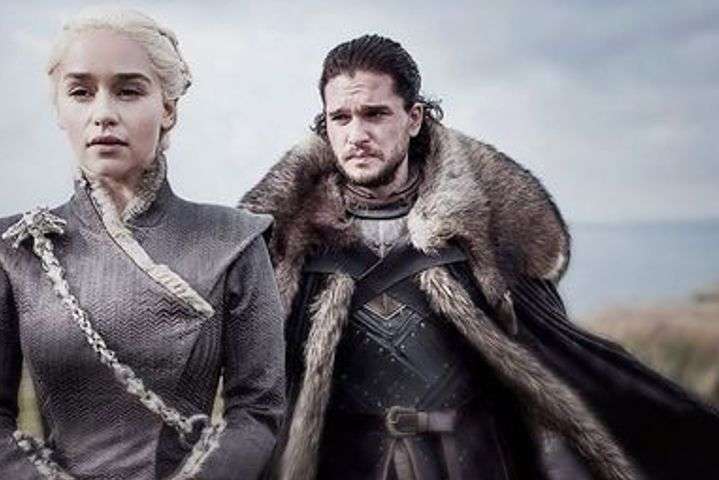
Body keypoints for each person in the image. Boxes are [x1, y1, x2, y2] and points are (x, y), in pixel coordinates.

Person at [241, 34, 719, 480]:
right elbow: (250, 384)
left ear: (414, 118)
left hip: (473, 461)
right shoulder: (288, 245)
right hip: (339, 465)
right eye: (340, 118)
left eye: (375, 114)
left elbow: (550, 367)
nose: (356, 134)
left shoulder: (485, 237)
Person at [0, 7, 285, 479]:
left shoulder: (233, 240)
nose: (103, 114)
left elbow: (258, 411)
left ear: (168, 108)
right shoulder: (16, 250)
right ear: (59, 110)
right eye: (80, 92)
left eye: (129, 91)